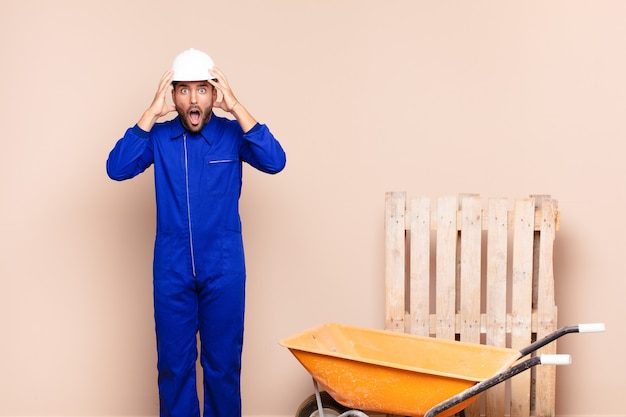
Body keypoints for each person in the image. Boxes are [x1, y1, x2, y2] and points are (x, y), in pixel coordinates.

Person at [106, 48, 286, 417]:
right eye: (183, 90)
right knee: (174, 370)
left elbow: (275, 160)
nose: (193, 99)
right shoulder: (157, 137)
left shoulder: (233, 135)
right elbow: (116, 167)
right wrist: (149, 114)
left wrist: (236, 106)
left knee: (223, 370)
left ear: (214, 94)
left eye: (202, 90)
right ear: (172, 96)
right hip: (172, 271)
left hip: (224, 270)